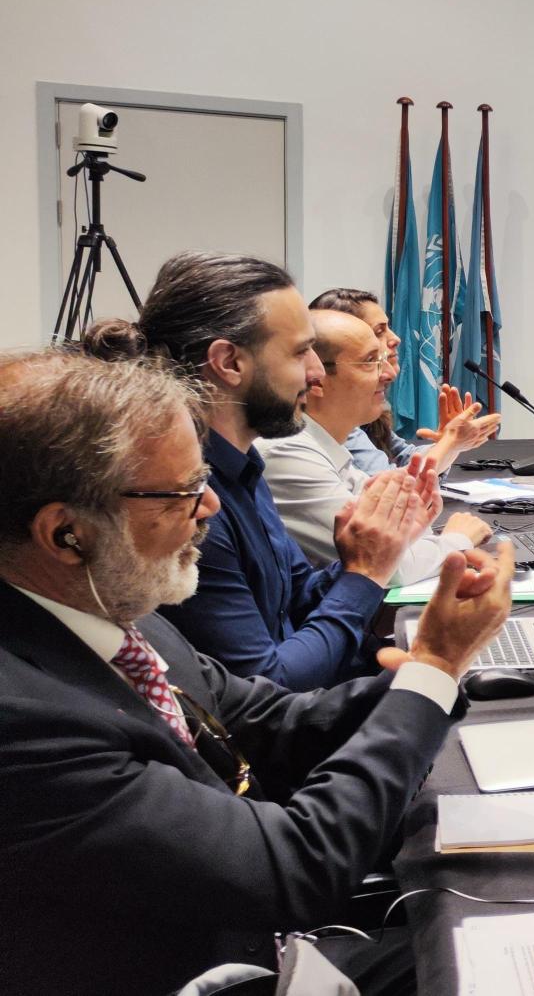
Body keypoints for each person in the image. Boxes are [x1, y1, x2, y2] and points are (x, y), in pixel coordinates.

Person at [0, 348, 514, 996]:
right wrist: (433, 667)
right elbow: (294, 868)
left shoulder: (106, 610)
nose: (211, 505)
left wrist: (427, 677)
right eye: (183, 492)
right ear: (65, 533)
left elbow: (271, 720)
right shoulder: (22, 721)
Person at [81, 252, 431, 691]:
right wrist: (365, 575)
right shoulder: (186, 504)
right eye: (301, 352)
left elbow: (297, 599)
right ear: (228, 362)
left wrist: (374, 549)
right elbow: (267, 684)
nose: (316, 373)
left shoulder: (244, 467)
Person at [260, 309, 494, 584]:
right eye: (371, 361)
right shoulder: (287, 452)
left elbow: (398, 530)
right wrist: (457, 539)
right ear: (317, 378)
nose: (390, 373)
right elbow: (386, 566)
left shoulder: (324, 445)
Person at [308, 287, 501, 473]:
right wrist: (449, 443)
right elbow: (388, 485)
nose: (396, 338)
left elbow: (405, 459)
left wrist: (448, 444)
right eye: (379, 332)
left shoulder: (359, 414)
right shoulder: (329, 424)